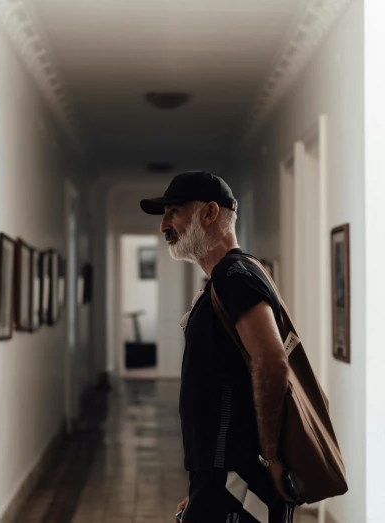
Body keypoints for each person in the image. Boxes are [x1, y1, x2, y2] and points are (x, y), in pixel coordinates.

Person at [140, 171, 294, 523]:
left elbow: (271, 363)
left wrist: (268, 459)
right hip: (222, 476)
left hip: (240, 478)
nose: (164, 224)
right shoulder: (225, 278)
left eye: (173, 212)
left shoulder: (235, 277)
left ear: (209, 214)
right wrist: (201, 485)